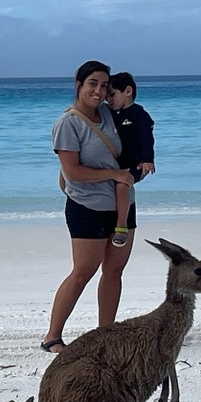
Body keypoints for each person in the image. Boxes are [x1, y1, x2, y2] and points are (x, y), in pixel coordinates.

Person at [40, 61, 137, 354]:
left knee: (114, 272)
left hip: (122, 205)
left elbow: (135, 126)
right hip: (87, 206)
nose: (99, 90)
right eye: (92, 83)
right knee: (83, 271)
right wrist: (114, 174)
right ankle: (52, 337)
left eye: (104, 85)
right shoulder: (67, 124)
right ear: (79, 85)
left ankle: (105, 334)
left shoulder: (110, 113)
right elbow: (74, 172)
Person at [107, 72, 155, 247]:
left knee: (122, 186)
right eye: (107, 97)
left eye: (112, 95)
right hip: (117, 165)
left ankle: (121, 226)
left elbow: (147, 137)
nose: (109, 100)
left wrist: (148, 159)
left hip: (135, 164)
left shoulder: (137, 113)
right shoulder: (112, 114)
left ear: (127, 91)